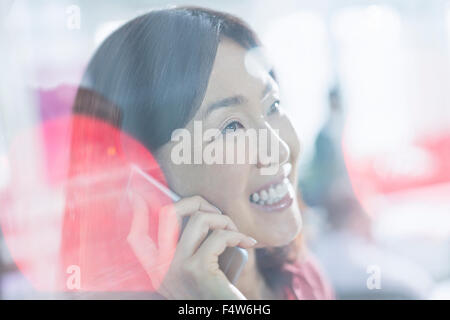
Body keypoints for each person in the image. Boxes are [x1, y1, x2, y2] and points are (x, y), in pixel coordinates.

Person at [62, 6, 334, 300]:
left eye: (273, 105)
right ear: (145, 182)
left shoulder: (303, 277)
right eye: (231, 127)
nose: (279, 150)